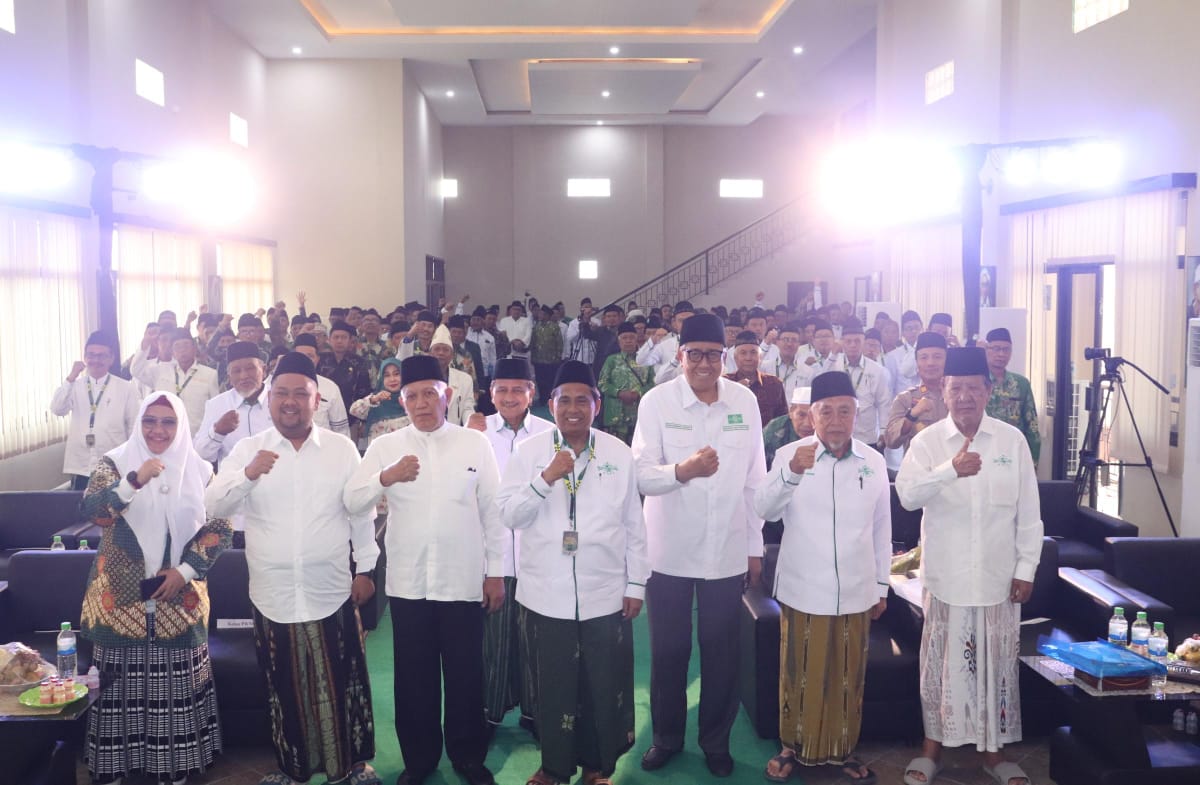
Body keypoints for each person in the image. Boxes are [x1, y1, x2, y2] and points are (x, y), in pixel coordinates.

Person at [205, 352, 382, 785]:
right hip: (273, 592)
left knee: (343, 682)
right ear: (269, 399)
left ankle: (349, 768)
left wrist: (367, 567)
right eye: (281, 393)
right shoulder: (248, 450)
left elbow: (360, 511)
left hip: (331, 589)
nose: (290, 401)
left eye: (300, 393)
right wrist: (248, 475)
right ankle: (293, 769)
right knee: (284, 688)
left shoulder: (341, 449)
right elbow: (214, 506)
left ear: (316, 399)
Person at [343, 354, 504, 785]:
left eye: (429, 394)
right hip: (409, 583)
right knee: (414, 677)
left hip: (463, 579)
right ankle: (420, 760)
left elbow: (493, 511)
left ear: (446, 395)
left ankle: (469, 756)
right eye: (411, 396)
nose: (420, 403)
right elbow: (353, 500)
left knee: (466, 673)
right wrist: (386, 477)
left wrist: (497, 572)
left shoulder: (474, 444)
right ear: (401, 400)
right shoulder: (386, 446)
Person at [494, 360, 650, 785]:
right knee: (554, 687)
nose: (575, 409)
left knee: (603, 684)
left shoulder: (617, 452)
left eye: (584, 400)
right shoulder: (529, 454)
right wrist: (545, 479)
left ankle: (599, 767)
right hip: (546, 594)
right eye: (566, 400)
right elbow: (509, 514)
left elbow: (635, 524)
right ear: (551, 404)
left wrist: (636, 583)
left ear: (597, 405)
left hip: (605, 592)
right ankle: (554, 767)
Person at [896, 347, 1042, 785]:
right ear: (943, 390)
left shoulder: (1011, 441)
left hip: (998, 577)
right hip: (947, 577)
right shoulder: (926, 442)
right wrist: (948, 471)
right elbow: (906, 496)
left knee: (996, 666)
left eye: (973, 388)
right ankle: (931, 750)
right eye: (955, 388)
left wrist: (1026, 569)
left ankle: (995, 755)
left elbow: (1029, 514)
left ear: (988, 391)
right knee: (939, 667)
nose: (964, 397)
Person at [631, 312, 767, 778]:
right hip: (668, 549)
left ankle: (715, 741)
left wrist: (755, 546)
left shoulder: (744, 401)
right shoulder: (657, 402)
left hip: (726, 549)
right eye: (695, 354)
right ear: (679, 355)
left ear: (724, 357)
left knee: (721, 650)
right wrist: (682, 471)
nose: (704, 363)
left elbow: (754, 479)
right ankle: (667, 738)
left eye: (713, 354)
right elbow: (642, 474)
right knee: (669, 651)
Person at [80, 391, 232, 785]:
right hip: (120, 598)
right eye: (150, 421)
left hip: (179, 596)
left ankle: (175, 767)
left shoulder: (201, 470)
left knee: (176, 682)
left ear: (181, 426)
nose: (158, 430)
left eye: (168, 422)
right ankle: (114, 767)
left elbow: (220, 527)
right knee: (116, 687)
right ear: (139, 423)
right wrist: (134, 481)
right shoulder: (114, 461)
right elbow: (95, 511)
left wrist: (184, 570)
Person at [754, 372, 890, 785]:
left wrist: (881, 585)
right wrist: (791, 473)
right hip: (803, 586)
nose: (835, 420)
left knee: (849, 673)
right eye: (825, 411)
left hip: (856, 587)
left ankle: (842, 751)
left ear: (856, 414)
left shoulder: (873, 460)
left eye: (844, 411)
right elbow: (765, 509)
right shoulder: (789, 454)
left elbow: (882, 528)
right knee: (801, 670)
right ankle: (792, 747)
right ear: (809, 415)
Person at [466, 358, 554, 736]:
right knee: (493, 644)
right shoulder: (476, 434)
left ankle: (537, 713)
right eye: (501, 389)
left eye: (518, 389)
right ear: (490, 393)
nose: (509, 396)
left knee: (537, 640)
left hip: (540, 557)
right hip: (495, 560)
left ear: (532, 393)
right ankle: (490, 713)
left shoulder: (552, 434)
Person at [50, 330, 141, 490]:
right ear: (85, 358)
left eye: (101, 356)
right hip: (81, 463)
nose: (95, 360)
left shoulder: (126, 388)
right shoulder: (75, 385)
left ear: (111, 359)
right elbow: (57, 409)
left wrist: (132, 461)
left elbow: (134, 427)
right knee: (81, 510)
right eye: (91, 355)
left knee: (112, 511)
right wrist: (71, 377)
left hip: (113, 463)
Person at [131, 328, 220, 436]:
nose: (182, 349)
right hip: (166, 437)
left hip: (197, 438)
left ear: (194, 348)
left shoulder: (210, 375)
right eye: (177, 346)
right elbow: (136, 370)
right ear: (172, 352)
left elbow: (216, 409)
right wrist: (145, 343)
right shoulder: (161, 371)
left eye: (186, 345)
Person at [983, 328, 1041, 465]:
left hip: (1014, 450)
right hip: (983, 451)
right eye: (996, 349)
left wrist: (1033, 461)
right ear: (986, 350)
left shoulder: (1021, 384)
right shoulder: (978, 382)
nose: (1001, 354)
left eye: (1006, 350)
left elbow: (1032, 425)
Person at [885, 332, 949, 454]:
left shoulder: (958, 397)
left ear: (947, 360)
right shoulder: (905, 399)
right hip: (916, 469)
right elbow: (890, 441)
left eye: (937, 357)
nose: (930, 363)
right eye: (924, 357)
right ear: (917, 363)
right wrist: (912, 415)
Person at [597, 322, 655, 444]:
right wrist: (619, 393)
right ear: (619, 341)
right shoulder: (611, 360)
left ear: (637, 339)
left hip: (639, 415)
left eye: (631, 337)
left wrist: (638, 393)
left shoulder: (646, 359)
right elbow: (602, 383)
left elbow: (654, 383)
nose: (628, 341)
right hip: (616, 416)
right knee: (616, 451)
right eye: (624, 338)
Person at [840, 318, 892, 450]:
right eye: (848, 341)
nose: (853, 345)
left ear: (863, 342)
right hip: (839, 435)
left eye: (857, 341)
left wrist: (884, 430)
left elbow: (884, 402)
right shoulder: (834, 366)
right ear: (842, 343)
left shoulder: (877, 370)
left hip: (867, 436)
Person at [292, 334, 353, 438]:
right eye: (300, 356)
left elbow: (341, 430)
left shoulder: (330, 387)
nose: (305, 361)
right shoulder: (280, 387)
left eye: (310, 356)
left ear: (317, 359)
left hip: (323, 449)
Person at [724, 330, 787, 427]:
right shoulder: (725, 383)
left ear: (760, 357)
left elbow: (782, 420)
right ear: (735, 358)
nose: (748, 358)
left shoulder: (774, 384)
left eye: (753, 352)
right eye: (743, 353)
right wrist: (735, 391)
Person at [317, 321, 373, 428]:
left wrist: (362, 421)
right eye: (336, 337)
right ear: (329, 340)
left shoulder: (359, 362)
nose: (339, 341)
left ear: (350, 340)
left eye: (343, 337)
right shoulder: (320, 360)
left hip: (351, 417)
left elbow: (364, 391)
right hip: (323, 416)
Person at [349, 357, 411, 444]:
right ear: (381, 378)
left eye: (396, 374)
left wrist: (408, 408)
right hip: (379, 455)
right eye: (387, 375)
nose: (392, 379)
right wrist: (374, 399)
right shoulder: (375, 402)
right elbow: (353, 410)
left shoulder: (411, 401)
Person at [428, 324, 477, 426]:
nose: (441, 353)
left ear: (451, 355)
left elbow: (467, 408)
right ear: (430, 353)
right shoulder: (419, 378)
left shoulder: (465, 379)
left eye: (445, 350)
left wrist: (472, 422)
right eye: (437, 349)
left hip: (453, 433)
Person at [635, 300, 694, 384]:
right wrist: (653, 340)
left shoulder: (705, 344)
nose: (686, 324)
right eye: (681, 321)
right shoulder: (665, 343)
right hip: (669, 392)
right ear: (674, 323)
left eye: (690, 320)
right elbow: (641, 361)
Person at [762, 387, 814, 470]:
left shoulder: (829, 431)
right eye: (801, 415)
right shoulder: (775, 428)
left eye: (813, 416)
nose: (807, 424)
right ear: (791, 412)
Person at [760, 322, 807, 402]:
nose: (789, 344)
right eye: (785, 339)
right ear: (777, 342)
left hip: (795, 413)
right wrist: (766, 343)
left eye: (794, 340)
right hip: (772, 413)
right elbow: (751, 365)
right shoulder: (765, 367)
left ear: (799, 344)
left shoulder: (807, 371)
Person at [530, 305, 565, 404]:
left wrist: (558, 357)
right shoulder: (536, 326)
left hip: (551, 360)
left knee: (550, 380)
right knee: (539, 379)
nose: (541, 315)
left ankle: (550, 398)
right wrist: (532, 357)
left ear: (548, 316)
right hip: (538, 359)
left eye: (543, 314)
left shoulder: (554, 327)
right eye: (540, 313)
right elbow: (532, 342)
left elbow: (559, 343)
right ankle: (542, 398)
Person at [885, 311, 923, 396]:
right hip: (902, 404)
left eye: (916, 327)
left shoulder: (929, 353)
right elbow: (889, 388)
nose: (914, 331)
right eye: (909, 328)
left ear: (922, 329)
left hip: (926, 400)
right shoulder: (892, 356)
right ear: (902, 333)